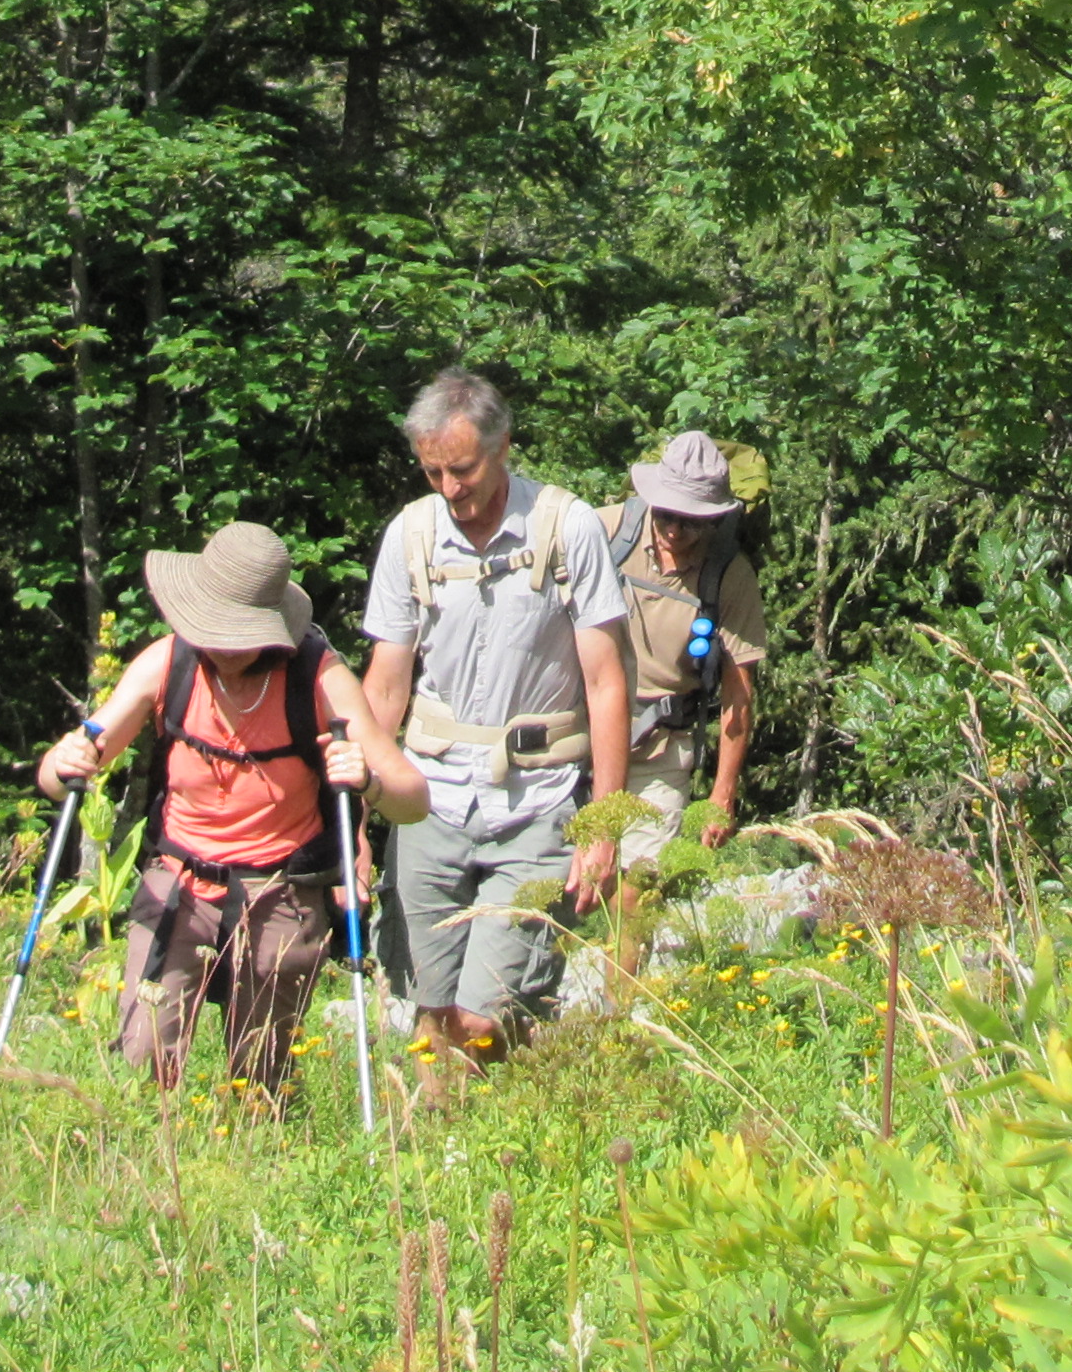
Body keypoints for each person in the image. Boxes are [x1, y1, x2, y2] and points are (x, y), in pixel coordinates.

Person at [40, 520, 423, 1100]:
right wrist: (63, 761)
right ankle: (146, 1165)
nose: (218, 644)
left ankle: (261, 1163)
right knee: (141, 1056)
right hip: (179, 881)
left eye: (235, 633)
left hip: (281, 890)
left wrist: (367, 780)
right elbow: (65, 772)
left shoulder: (319, 678)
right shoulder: (168, 663)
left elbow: (413, 798)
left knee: (262, 1078)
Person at [360, 366, 631, 1081]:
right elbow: (384, 690)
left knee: (489, 1014)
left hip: (538, 802)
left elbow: (607, 684)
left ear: (503, 445)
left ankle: (509, 1136)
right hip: (427, 804)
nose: (451, 489)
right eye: (433, 473)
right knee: (431, 1011)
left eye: (463, 469)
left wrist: (603, 827)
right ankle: (442, 1161)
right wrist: (358, 818)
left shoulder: (567, 528)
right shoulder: (410, 537)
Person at [596, 431, 768, 866]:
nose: (675, 529)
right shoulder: (606, 531)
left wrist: (722, 793)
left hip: (660, 749)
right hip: (584, 734)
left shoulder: (730, 575)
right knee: (569, 884)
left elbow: (739, 692)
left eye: (691, 521)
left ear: (713, 518)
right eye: (666, 514)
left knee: (637, 888)